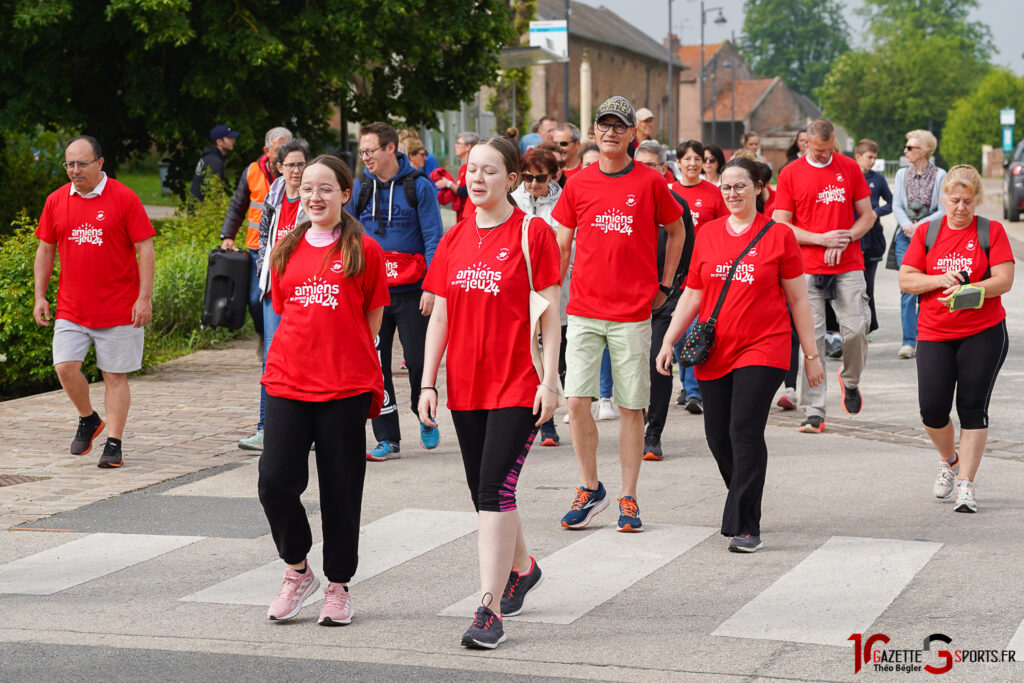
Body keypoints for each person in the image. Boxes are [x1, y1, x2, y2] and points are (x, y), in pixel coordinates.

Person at [419, 136, 561, 649]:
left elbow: (551, 310)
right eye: (471, 170)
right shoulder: (455, 238)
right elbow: (441, 314)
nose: (477, 179)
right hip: (466, 386)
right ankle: (523, 568)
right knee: (488, 492)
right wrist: (428, 382)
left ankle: (488, 607)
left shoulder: (533, 233)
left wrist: (549, 379)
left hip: (518, 382)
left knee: (492, 492)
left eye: (490, 171)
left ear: (513, 180)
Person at [656, 157, 824, 552]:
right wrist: (668, 341)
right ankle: (744, 494)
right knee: (717, 436)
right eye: (726, 187)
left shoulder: (778, 235)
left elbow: (799, 300)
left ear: (758, 189)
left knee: (744, 429)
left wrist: (812, 356)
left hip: (764, 345)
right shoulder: (709, 233)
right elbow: (694, 294)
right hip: (716, 349)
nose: (732, 193)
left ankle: (747, 524)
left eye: (740, 186)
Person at [259, 154, 388, 626]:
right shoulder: (286, 247)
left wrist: (352, 352)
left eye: (326, 189)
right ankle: (298, 570)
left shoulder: (363, 250)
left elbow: (372, 316)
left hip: (344, 386)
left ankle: (338, 585)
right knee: (274, 481)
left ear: (345, 194)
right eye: (308, 188)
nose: (315, 196)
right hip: (288, 380)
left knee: (341, 490)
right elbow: (285, 310)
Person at [550, 95, 685, 532]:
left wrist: (665, 285)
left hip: (632, 312)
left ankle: (629, 497)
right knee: (575, 401)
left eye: (619, 125)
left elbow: (677, 228)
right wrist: (549, 293)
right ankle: (590, 487)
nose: (610, 132)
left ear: (632, 133)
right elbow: (563, 243)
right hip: (585, 308)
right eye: (603, 125)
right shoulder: (577, 184)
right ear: (593, 132)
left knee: (630, 406)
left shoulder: (649, 182)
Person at [33, 135, 156, 469]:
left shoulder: (124, 198)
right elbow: (46, 248)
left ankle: (114, 442)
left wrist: (143, 299)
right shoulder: (56, 200)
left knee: (114, 375)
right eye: (69, 164)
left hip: (118, 307)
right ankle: (89, 419)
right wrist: (40, 296)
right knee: (64, 367)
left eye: (81, 164)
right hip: (72, 307)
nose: (75, 171)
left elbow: (145, 248)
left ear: (100, 163)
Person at [898, 165, 1014, 514]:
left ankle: (966, 484)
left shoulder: (990, 231)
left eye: (967, 201)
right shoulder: (927, 232)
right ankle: (950, 461)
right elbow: (907, 279)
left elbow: (1004, 280)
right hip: (934, 332)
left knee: (972, 407)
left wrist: (970, 288)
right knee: (932, 410)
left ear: (977, 200)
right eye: (954, 200)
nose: (960, 207)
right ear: (943, 199)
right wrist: (937, 281)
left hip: (983, 332)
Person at [349, 122, 444, 461]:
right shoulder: (359, 186)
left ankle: (425, 413)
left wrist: (432, 286)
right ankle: (388, 438)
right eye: (362, 152)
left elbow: (434, 236)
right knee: (376, 366)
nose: (365, 158)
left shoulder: (418, 186)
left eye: (370, 151)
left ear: (390, 148)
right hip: (373, 293)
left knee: (418, 361)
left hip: (413, 292)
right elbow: (348, 236)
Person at [772, 119, 874, 433]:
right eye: (818, 150)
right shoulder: (791, 172)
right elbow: (781, 222)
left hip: (848, 262)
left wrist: (845, 238)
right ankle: (814, 409)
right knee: (811, 339)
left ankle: (851, 380)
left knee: (857, 328)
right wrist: (821, 239)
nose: (823, 155)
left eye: (829, 149)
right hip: (806, 267)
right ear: (806, 143)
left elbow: (867, 215)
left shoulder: (849, 168)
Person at [237, 139, 311, 451]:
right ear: (278, 167)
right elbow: (263, 238)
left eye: (301, 164)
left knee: (304, 358)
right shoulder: (274, 194)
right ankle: (266, 428)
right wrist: (263, 273)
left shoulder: (315, 195)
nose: (297, 170)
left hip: (304, 292)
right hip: (274, 291)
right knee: (272, 360)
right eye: (290, 165)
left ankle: (307, 432)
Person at [632, 140, 695, 462]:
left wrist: (673, 290)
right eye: (638, 164)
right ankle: (637, 418)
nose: (643, 172)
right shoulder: (625, 202)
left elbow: (688, 251)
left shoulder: (677, 204)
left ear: (663, 170)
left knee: (659, 363)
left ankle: (653, 433)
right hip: (627, 297)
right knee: (631, 366)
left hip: (665, 298)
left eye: (650, 166)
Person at [220, 126, 294, 352]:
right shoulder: (252, 171)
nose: (282, 155)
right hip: (257, 250)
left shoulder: (298, 173)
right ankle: (265, 334)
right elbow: (237, 206)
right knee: (255, 299)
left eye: (287, 150)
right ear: (267, 150)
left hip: (289, 249)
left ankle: (286, 340)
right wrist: (228, 236)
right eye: (277, 150)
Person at [512, 146, 566, 446]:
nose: (533, 184)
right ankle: (535, 419)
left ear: (554, 175)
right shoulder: (514, 198)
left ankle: (549, 418)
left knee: (553, 350)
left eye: (540, 178)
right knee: (529, 352)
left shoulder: (563, 200)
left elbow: (566, 243)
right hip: (520, 284)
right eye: (528, 178)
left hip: (554, 284)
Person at [670, 140, 729, 414]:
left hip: (705, 272)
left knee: (696, 327)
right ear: (678, 163)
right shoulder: (669, 192)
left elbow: (726, 228)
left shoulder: (714, 193)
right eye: (688, 159)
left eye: (698, 158)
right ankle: (686, 382)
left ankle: (694, 392)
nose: (693, 163)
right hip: (675, 272)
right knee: (680, 334)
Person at [892, 129, 947, 359]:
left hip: (932, 236)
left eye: (910, 148)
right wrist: (907, 226)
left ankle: (929, 336)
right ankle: (908, 341)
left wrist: (919, 227)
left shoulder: (941, 175)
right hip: (906, 237)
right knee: (908, 289)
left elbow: (943, 210)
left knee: (932, 287)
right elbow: (896, 205)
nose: (905, 151)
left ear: (923, 151)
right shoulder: (901, 174)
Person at [854, 139, 892, 334]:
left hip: (872, 237)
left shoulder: (878, 179)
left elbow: (892, 202)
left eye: (875, 158)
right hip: (852, 237)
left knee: (868, 285)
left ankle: (868, 327)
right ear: (858, 157)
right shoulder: (848, 177)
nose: (872, 161)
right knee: (852, 287)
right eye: (869, 157)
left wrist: (877, 211)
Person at [437, 131, 479, 223]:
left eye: (458, 143)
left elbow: (466, 191)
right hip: (461, 216)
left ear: (468, 147)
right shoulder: (463, 167)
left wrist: (448, 184)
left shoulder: (473, 167)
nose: (455, 146)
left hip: (470, 217)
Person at [191, 124, 240, 200]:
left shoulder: (209, 157)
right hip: (204, 209)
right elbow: (212, 191)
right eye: (229, 138)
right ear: (219, 142)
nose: (233, 140)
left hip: (199, 208)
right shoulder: (214, 161)